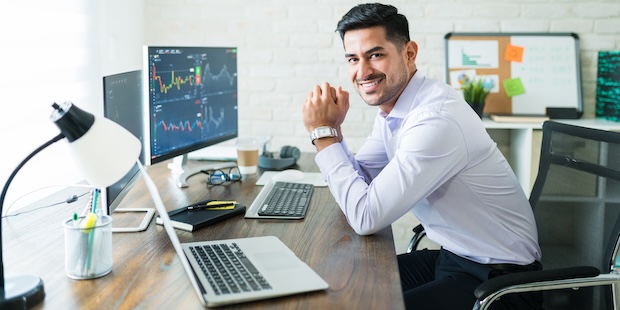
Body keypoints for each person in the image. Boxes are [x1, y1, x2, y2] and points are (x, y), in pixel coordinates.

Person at [301, 3, 542, 310]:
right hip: (455, 258)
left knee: (363, 303)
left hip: (501, 284)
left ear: (410, 53)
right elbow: (361, 179)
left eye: (375, 54)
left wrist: (322, 133)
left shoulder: (434, 120)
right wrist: (333, 130)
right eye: (353, 59)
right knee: (339, 283)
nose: (362, 72)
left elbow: (365, 216)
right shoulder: (396, 110)